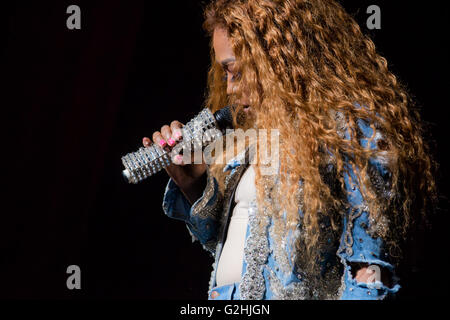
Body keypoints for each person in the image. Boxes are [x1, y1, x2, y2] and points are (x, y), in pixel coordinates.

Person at [142, 0, 437, 300]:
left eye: (236, 71)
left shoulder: (351, 130)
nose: (229, 87)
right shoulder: (255, 137)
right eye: (226, 74)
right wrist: (191, 185)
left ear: (275, 60)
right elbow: (243, 246)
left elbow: (369, 272)